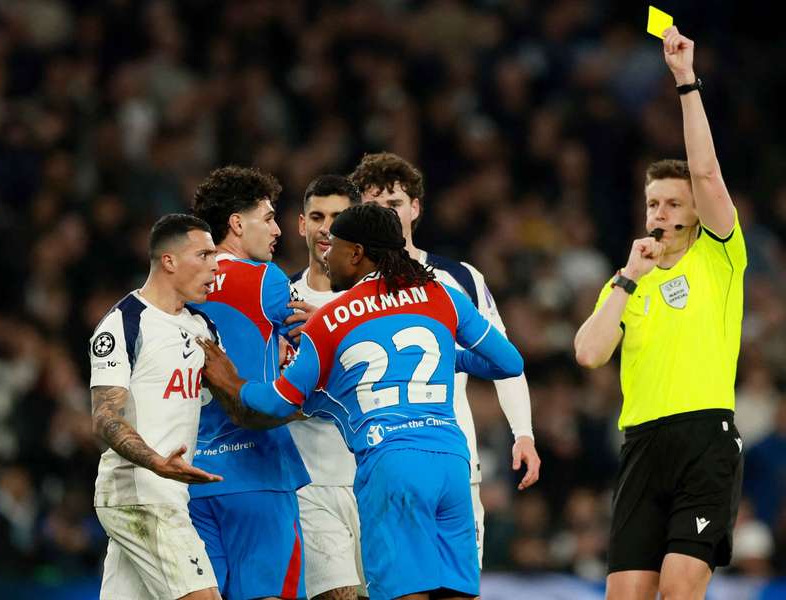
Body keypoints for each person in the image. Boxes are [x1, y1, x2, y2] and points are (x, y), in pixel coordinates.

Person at [198, 203, 524, 600]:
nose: (326, 256)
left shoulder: (332, 319)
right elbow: (509, 362)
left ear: (355, 253)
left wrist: (232, 381)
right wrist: (449, 357)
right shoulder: (442, 295)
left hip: (392, 464)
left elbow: (279, 401)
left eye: (333, 246)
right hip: (452, 463)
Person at [573, 27, 746, 600]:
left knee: (678, 587)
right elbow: (589, 354)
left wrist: (685, 81)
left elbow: (707, 173)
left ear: (696, 213)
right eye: (653, 203)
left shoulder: (718, 256)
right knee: (625, 596)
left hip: (704, 439)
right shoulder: (625, 281)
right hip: (641, 445)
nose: (662, 213)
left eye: (674, 203)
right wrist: (627, 279)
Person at [349, 152, 540, 565]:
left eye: (395, 204)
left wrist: (523, 433)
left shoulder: (461, 278)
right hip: (376, 467)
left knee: (459, 585)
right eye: (375, 206)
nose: (386, 215)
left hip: (455, 461)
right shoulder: (344, 290)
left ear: (415, 208)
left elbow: (506, 362)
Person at [189, 166, 311, 600]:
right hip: (257, 470)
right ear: (237, 224)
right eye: (269, 218)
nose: (277, 230)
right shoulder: (266, 279)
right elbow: (317, 350)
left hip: (191, 476)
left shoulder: (180, 284)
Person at [90, 213, 222, 600]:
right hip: (140, 494)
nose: (215, 266)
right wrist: (156, 462)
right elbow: (104, 417)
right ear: (169, 261)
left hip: (167, 495)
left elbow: (226, 402)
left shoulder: (202, 328)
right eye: (204, 255)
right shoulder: (124, 324)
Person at [288, 174, 368, 600]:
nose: (326, 228)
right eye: (317, 217)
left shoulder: (378, 301)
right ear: (302, 224)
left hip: (377, 478)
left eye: (338, 217)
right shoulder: (278, 301)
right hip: (312, 484)